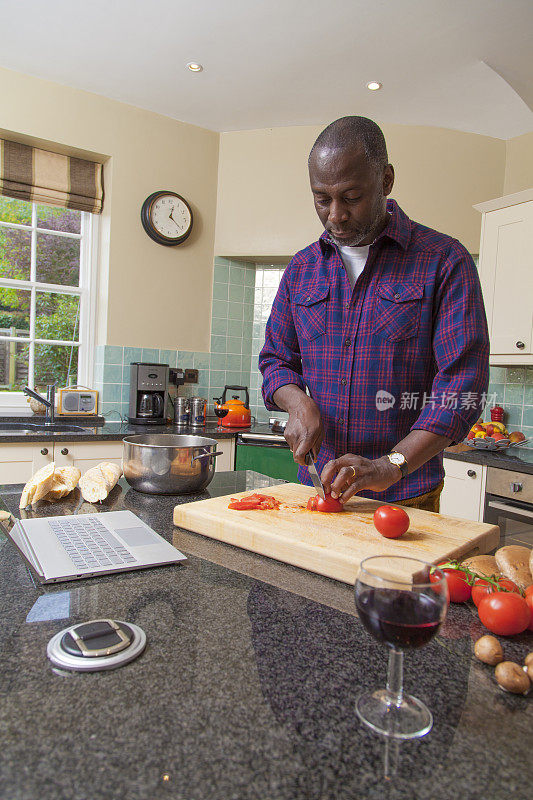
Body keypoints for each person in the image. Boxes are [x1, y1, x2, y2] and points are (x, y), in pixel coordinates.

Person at [259, 116, 489, 511]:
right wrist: (299, 403)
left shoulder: (444, 260)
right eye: (321, 198)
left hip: (406, 496)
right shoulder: (301, 269)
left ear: (385, 181)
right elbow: (275, 361)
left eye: (351, 197)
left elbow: (462, 388)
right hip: (318, 490)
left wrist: (390, 465)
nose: (335, 214)